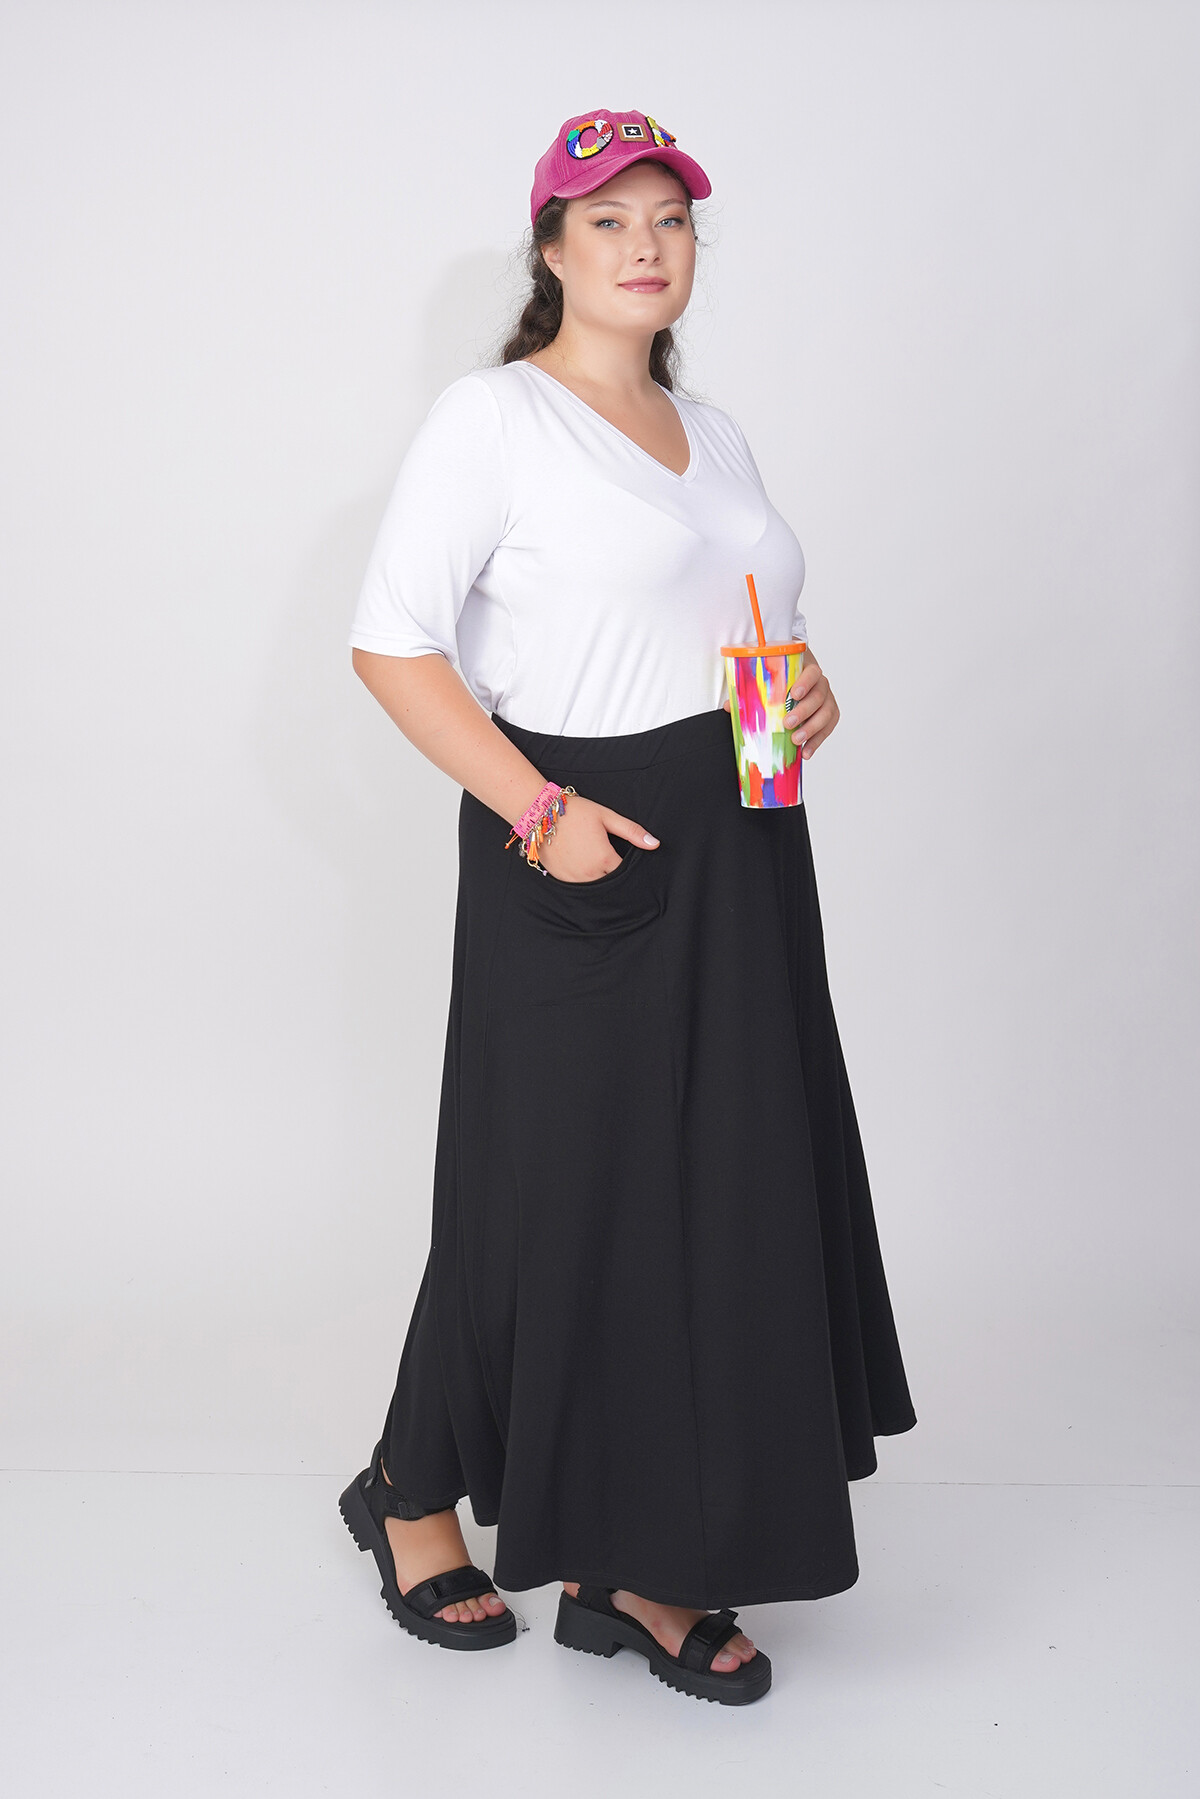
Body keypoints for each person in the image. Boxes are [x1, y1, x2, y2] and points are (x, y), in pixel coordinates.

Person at [338, 108, 917, 1707]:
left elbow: (742, 625)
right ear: (551, 249)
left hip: (744, 841)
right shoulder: (495, 419)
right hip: (580, 838)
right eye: (608, 220)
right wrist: (538, 815)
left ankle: (638, 1565)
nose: (645, 244)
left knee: (720, 1191)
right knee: (553, 1197)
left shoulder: (709, 432)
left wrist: (800, 694)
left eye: (668, 219)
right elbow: (393, 642)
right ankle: (409, 1494)